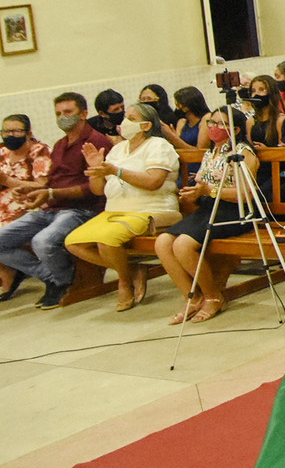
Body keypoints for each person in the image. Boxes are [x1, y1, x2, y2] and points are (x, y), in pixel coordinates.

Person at [65, 104, 180, 312]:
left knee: (106, 240)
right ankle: (130, 270)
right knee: (73, 242)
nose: (124, 122)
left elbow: (153, 182)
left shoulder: (159, 145)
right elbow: (98, 190)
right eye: (125, 117)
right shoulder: (118, 149)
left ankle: (124, 282)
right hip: (114, 210)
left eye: (131, 118)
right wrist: (96, 169)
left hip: (150, 209)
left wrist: (116, 171)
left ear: (145, 125)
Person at [0, 93, 111, 309]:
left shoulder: (96, 142)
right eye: (58, 113)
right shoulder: (61, 144)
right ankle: (53, 278)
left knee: (42, 242)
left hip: (82, 210)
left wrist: (50, 193)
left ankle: (64, 282)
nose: (62, 117)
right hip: (52, 208)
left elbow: (93, 189)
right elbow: (50, 181)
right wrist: (32, 192)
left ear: (83, 114)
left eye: (68, 112)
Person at [153, 107, 259, 324]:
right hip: (209, 209)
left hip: (235, 211)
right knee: (162, 242)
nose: (213, 127)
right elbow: (204, 187)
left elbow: (246, 194)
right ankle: (191, 298)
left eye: (221, 124)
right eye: (211, 122)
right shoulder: (211, 152)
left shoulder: (243, 153)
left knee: (182, 245)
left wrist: (209, 191)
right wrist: (194, 194)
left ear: (235, 129)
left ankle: (213, 296)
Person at [0, 115, 53, 301]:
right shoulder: (2, 151)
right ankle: (10, 271)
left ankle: (17, 273)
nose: (10, 135)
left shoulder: (39, 151)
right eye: (5, 131)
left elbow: (42, 185)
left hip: (30, 204)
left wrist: (7, 180)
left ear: (28, 133)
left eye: (15, 131)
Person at [168, 86, 212, 153]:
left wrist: (173, 138)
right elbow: (177, 148)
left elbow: (201, 151)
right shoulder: (181, 122)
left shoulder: (206, 119)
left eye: (178, 105)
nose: (177, 109)